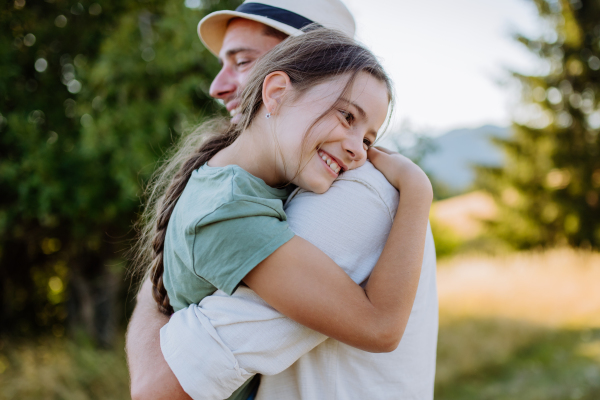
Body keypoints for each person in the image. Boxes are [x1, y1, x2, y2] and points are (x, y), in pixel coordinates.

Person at [127, 2, 438, 400]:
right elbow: (379, 325)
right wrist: (417, 188)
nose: (217, 87)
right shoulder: (229, 207)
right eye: (347, 117)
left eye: (243, 62)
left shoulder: (348, 198)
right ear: (277, 91)